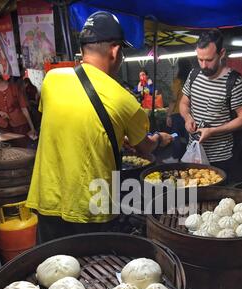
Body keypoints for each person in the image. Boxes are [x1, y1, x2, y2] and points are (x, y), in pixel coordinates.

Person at [26, 11, 162, 243]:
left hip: (47, 200)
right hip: (92, 207)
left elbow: (68, 124)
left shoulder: (51, 80)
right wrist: (160, 138)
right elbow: (145, 149)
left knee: (51, 269)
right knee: (94, 273)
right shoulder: (125, 100)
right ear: (115, 50)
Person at [180, 30, 242, 173]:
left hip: (220, 158)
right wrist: (187, 118)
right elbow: (183, 104)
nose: (204, 65)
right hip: (193, 153)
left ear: (222, 53)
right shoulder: (193, 75)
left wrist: (213, 131)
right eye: (200, 59)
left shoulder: (234, 82)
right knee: (191, 194)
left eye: (209, 60)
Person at [0, 70, 37, 142]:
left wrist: (32, 127)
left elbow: (24, 108)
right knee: (7, 149)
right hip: (3, 126)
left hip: (20, 125)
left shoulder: (14, 88)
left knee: (22, 148)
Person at [166, 58, 192, 159]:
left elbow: (173, 99)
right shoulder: (192, 80)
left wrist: (168, 115)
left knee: (175, 136)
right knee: (189, 137)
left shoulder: (177, 81)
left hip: (177, 114)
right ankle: (190, 159)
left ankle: (176, 158)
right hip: (190, 114)